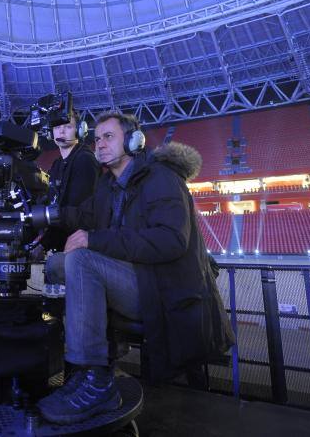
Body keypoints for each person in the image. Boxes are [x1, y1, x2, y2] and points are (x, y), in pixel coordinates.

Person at [37, 111, 235, 425]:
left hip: (164, 290)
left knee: (81, 259)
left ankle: (95, 378)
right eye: (97, 138)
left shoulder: (161, 179)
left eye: (108, 136)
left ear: (133, 140)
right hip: (137, 281)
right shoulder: (108, 185)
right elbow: (80, 215)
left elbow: (170, 241)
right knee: (57, 264)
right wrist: (42, 214)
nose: (99, 144)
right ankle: (84, 366)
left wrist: (96, 240)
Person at [35, 113, 101, 293]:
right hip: (62, 243)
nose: (61, 130)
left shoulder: (85, 160)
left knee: (54, 267)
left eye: (68, 126)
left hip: (80, 246)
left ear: (80, 130)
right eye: (57, 127)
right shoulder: (57, 165)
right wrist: (42, 243)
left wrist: (44, 243)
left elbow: (75, 215)